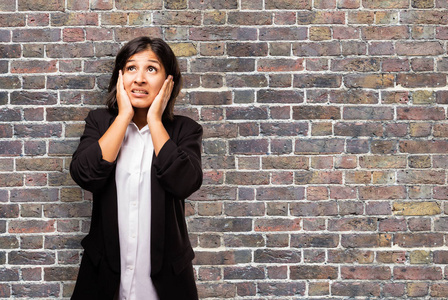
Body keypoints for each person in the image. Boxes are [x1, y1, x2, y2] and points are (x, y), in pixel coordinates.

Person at [70, 36, 203, 300]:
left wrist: (155, 119)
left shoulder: (185, 130)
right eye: (131, 68)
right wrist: (123, 117)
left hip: (165, 280)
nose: (139, 79)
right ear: (120, 77)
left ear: (168, 81)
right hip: (103, 276)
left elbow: (185, 183)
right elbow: (85, 175)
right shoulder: (99, 122)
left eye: (151, 69)